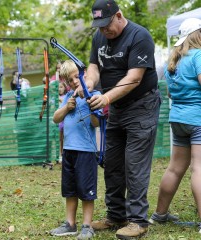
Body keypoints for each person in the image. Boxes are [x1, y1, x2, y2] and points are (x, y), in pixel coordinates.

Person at [75, 0, 161, 239]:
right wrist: (90, 84)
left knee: (134, 164)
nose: (104, 31)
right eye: (99, 26)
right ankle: (116, 215)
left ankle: (138, 221)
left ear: (119, 15)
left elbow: (134, 78)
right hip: (117, 108)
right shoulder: (99, 37)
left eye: (107, 24)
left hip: (142, 105)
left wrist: (106, 97)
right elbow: (94, 67)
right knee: (112, 163)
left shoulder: (139, 36)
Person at [149, 18, 201, 232]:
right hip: (197, 118)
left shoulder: (175, 60)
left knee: (175, 168)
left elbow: (171, 93)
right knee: (198, 168)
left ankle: (159, 215)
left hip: (178, 119)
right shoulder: (198, 55)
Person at [50, 60, 100, 240]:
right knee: (70, 190)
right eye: (69, 80)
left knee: (86, 191)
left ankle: (87, 226)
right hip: (69, 151)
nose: (74, 82)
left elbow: (96, 123)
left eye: (76, 77)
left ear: (84, 74)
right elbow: (56, 118)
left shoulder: (94, 94)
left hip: (86, 151)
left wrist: (91, 104)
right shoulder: (68, 97)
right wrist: (66, 107)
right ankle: (70, 224)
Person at [58, 81, 67, 163]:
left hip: (65, 121)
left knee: (65, 138)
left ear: (64, 88)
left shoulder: (66, 97)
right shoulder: (55, 97)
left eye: (61, 87)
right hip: (59, 122)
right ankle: (60, 154)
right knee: (60, 139)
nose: (59, 89)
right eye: (58, 87)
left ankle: (65, 154)